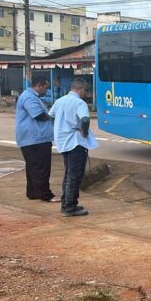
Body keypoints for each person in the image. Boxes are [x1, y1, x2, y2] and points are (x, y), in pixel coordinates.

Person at [49, 78, 98, 217]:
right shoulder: (79, 103)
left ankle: (66, 204)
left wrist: (58, 127)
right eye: (86, 90)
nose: (86, 93)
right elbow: (85, 119)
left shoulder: (60, 100)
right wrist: (85, 131)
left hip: (63, 142)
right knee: (74, 176)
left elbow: (51, 116)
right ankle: (70, 206)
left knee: (68, 174)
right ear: (81, 89)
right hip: (75, 142)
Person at [15, 76, 59, 203]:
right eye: (46, 87)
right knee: (41, 168)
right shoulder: (29, 97)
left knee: (32, 167)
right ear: (39, 85)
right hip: (35, 139)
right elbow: (38, 115)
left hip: (34, 138)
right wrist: (51, 116)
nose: (46, 90)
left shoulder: (30, 96)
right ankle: (46, 194)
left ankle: (33, 192)